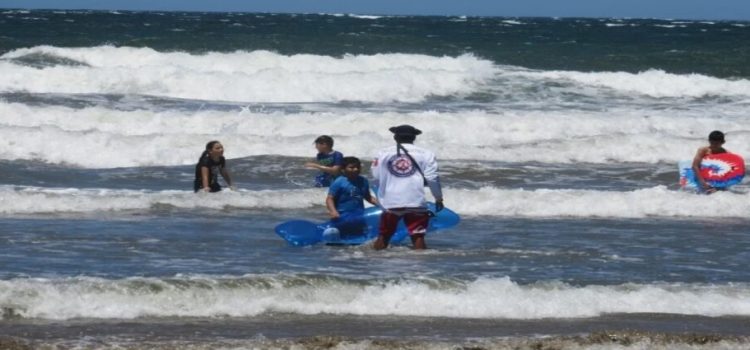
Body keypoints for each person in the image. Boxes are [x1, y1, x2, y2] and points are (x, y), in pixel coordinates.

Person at [371, 125, 444, 250]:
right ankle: (419, 267)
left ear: (395, 137)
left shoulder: (382, 153)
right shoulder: (427, 153)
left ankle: (376, 263)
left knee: (384, 235)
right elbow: (432, 178)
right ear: (414, 138)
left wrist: (381, 196)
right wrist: (438, 198)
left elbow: (376, 176)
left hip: (391, 201)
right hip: (415, 201)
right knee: (418, 236)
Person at [325, 157, 378, 237]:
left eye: (358, 167)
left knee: (360, 239)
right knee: (342, 239)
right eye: (351, 167)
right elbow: (330, 198)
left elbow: (368, 197)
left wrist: (382, 205)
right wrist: (333, 211)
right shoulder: (339, 181)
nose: (356, 169)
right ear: (343, 169)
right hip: (342, 217)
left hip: (359, 216)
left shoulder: (363, 181)